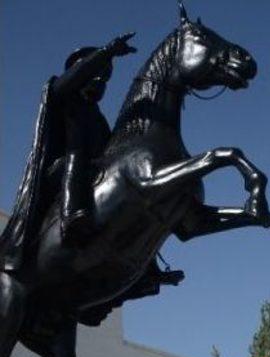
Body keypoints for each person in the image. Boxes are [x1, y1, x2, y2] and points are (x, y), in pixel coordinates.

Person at [0, 35, 182, 289]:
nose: (100, 80)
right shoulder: (61, 97)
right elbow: (70, 83)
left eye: (106, 77)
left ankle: (147, 268)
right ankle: (73, 214)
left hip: (91, 174)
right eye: (96, 73)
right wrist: (108, 52)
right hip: (60, 172)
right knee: (77, 154)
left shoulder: (99, 120)